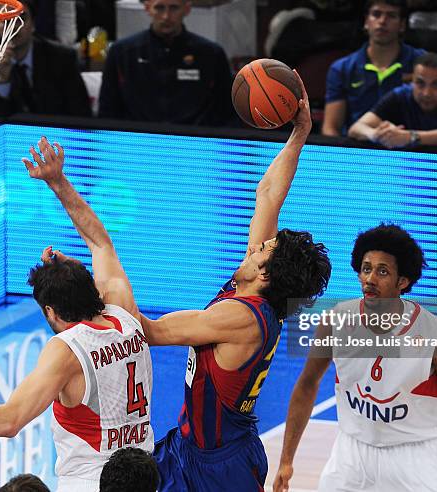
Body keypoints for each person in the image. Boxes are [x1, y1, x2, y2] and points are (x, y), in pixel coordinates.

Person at [137, 73, 331, 491]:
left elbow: (150, 330)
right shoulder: (257, 285)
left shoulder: (240, 316)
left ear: (265, 272)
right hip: (193, 446)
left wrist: (89, 277)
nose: (255, 246)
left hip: (219, 465)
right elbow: (267, 195)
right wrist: (299, 133)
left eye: (262, 250)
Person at [0, 136, 153, 492]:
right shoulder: (123, 309)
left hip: (92, 482)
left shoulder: (67, 351)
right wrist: (57, 181)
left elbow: (9, 420)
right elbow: (100, 242)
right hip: (142, 475)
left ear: (50, 311)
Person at [273, 223, 437, 492]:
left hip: (419, 455)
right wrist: (286, 460)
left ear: (403, 281)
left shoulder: (433, 333)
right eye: (366, 268)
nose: (370, 278)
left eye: (382, 271)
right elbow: (307, 384)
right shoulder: (335, 322)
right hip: (354, 453)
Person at [322, 0, 437, 137]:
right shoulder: (342, 68)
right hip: (361, 147)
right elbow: (331, 128)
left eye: (391, 16)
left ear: (402, 25)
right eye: (376, 14)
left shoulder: (422, 63)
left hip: (410, 148)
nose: (382, 21)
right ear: (366, 22)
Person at [98, 0, 235, 126]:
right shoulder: (122, 53)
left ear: (186, 9)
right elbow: (107, 108)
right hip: (136, 143)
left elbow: (226, 110)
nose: (166, 16)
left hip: (195, 144)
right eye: (159, 8)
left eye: (174, 8)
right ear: (148, 8)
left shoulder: (211, 54)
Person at [0, 0, 92, 117]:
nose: (14, 26)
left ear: (33, 25)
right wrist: (3, 80)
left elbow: (81, 114)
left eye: (21, 18)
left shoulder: (62, 59)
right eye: (6, 19)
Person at [349, 52, 437, 148]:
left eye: (436, 84)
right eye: (420, 83)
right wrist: (376, 134)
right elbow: (356, 128)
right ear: (412, 82)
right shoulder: (399, 95)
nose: (427, 93)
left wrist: (410, 137)